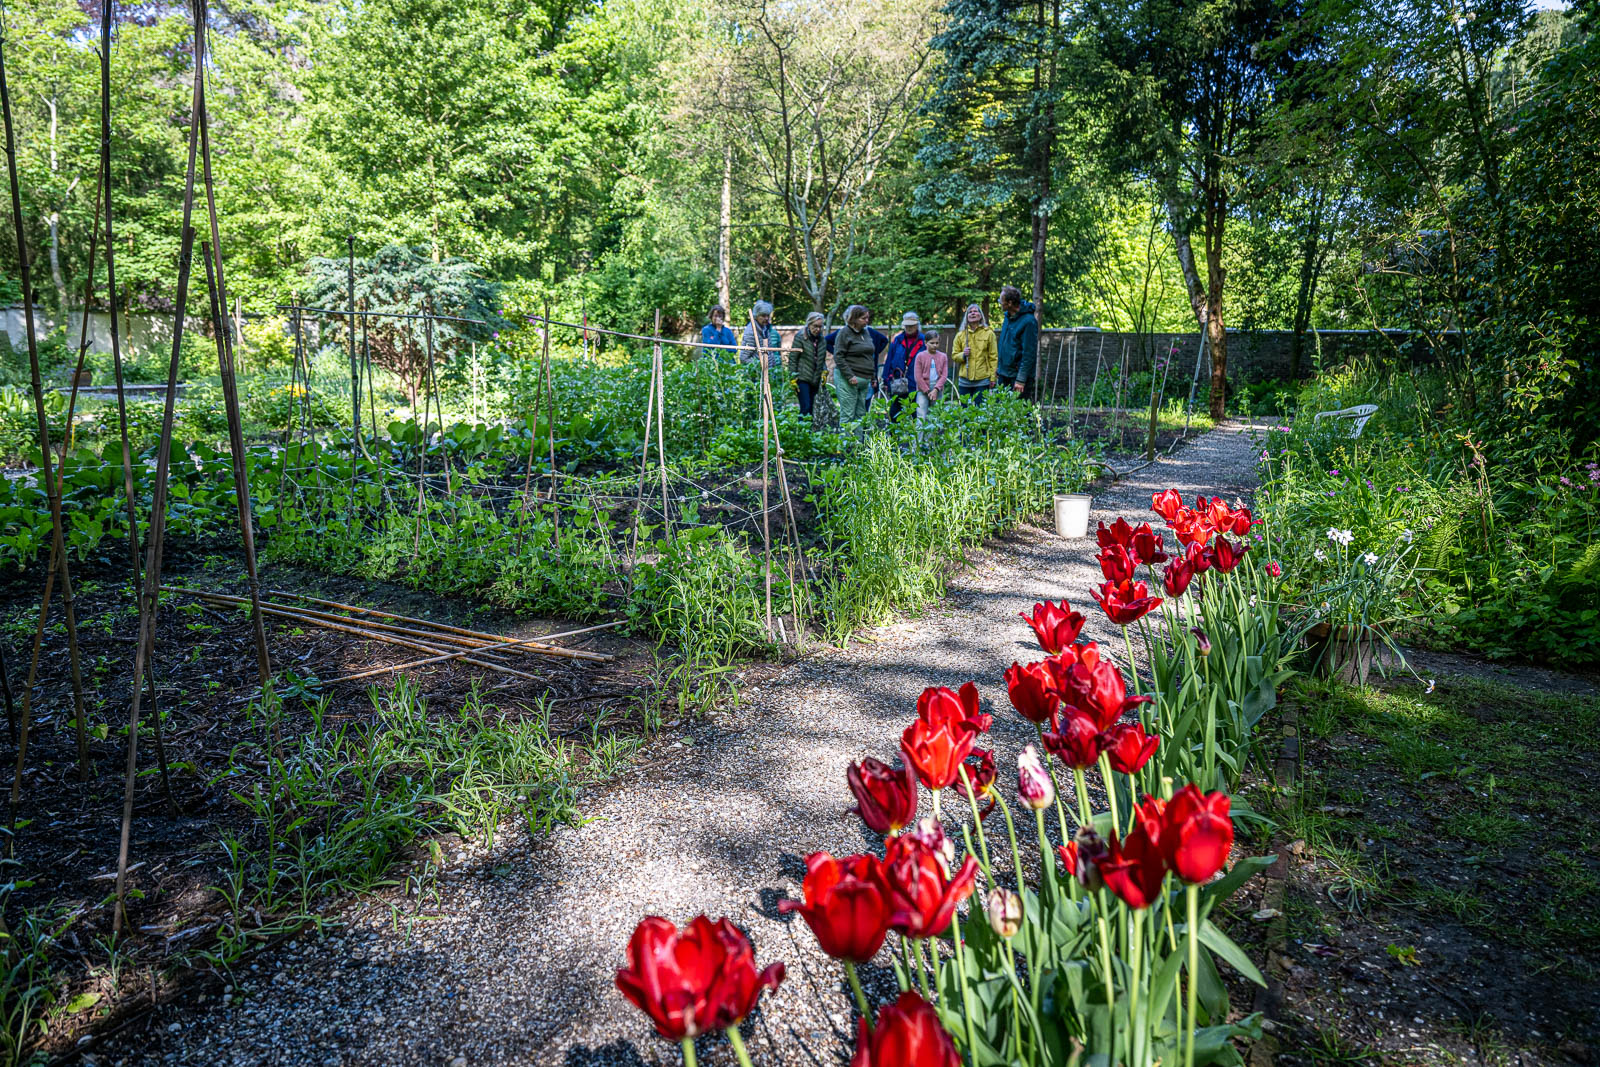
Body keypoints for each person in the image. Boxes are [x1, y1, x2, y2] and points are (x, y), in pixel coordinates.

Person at [832, 304, 877, 424]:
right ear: (854, 319)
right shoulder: (844, 333)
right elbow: (838, 356)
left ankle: (858, 442)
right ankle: (846, 442)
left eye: (867, 318)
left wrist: (873, 376)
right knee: (848, 414)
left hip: (865, 379)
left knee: (861, 414)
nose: (866, 321)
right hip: (849, 379)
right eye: (863, 318)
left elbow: (869, 355)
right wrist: (849, 376)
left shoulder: (865, 333)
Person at [881, 312, 927, 421]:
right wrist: (886, 378)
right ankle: (895, 437)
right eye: (907, 325)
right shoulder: (897, 340)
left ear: (917, 325)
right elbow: (889, 359)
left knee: (916, 413)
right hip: (898, 383)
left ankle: (913, 437)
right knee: (895, 414)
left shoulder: (924, 341)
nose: (909, 327)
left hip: (916, 383)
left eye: (912, 325)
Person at [996, 285, 1039, 397]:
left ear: (1010, 303)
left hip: (1017, 378)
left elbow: (1029, 354)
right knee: (999, 409)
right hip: (1004, 374)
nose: (999, 303)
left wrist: (1021, 379)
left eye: (1001, 300)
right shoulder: (1008, 317)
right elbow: (1005, 346)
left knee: (1019, 412)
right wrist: (999, 369)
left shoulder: (1029, 322)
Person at [951, 303, 998, 404]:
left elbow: (993, 357)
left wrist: (992, 378)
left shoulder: (989, 333)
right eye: (970, 312)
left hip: (983, 379)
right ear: (966, 317)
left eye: (975, 311)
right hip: (964, 380)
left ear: (980, 315)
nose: (972, 313)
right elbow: (954, 355)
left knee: (980, 411)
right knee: (964, 412)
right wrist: (963, 355)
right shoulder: (960, 335)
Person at [789, 311, 827, 417]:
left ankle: (811, 432)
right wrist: (792, 377)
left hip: (816, 378)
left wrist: (824, 371)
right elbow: (793, 358)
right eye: (815, 326)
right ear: (809, 324)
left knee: (813, 408)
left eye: (820, 326)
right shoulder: (800, 337)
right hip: (802, 378)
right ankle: (802, 431)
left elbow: (821, 358)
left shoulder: (822, 340)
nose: (818, 329)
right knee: (805, 407)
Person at [912, 337, 949, 436]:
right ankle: (918, 446)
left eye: (937, 343)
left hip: (938, 389)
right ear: (925, 343)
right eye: (932, 343)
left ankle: (932, 445)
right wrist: (927, 391)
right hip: (922, 390)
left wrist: (936, 389)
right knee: (921, 417)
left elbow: (944, 375)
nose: (935, 345)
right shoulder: (920, 356)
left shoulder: (943, 356)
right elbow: (918, 376)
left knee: (936, 417)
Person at [739, 300, 782, 369]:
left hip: (768, 373)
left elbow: (770, 351)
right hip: (757, 375)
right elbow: (743, 358)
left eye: (768, 315)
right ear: (756, 316)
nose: (766, 318)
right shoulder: (751, 332)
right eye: (763, 315)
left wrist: (773, 366)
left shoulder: (765, 328)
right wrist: (760, 365)